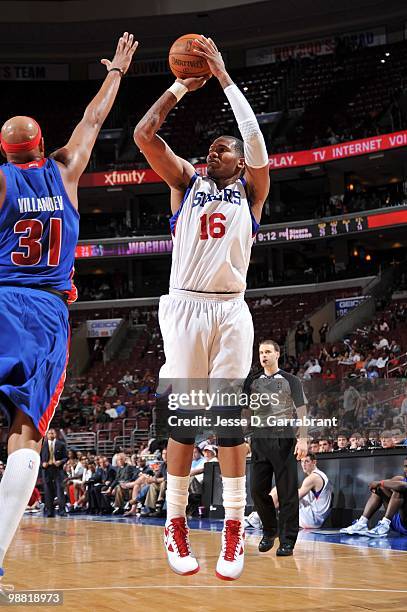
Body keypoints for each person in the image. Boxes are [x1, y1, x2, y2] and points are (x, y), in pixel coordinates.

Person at [0, 32, 138, 587]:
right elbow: (93, 118)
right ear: (41, 146)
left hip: (2, 300)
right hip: (47, 312)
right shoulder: (67, 170)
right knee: (27, 438)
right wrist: (116, 74)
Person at [133, 35, 270, 580]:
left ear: (239, 161)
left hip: (232, 309)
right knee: (186, 421)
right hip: (187, 309)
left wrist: (226, 79)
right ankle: (175, 522)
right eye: (210, 148)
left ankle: (234, 529)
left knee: (231, 421)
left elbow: (256, 142)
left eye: (223, 148)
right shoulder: (186, 183)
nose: (213, 152)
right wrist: (178, 87)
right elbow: (145, 135)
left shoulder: (254, 191)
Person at [244, 340, 308, 557]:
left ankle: (288, 540)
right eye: (261, 352)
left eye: (268, 352)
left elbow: (301, 410)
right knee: (256, 490)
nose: (264, 356)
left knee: (287, 492)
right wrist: (245, 437)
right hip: (259, 440)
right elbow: (246, 412)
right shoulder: (252, 381)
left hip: (283, 438)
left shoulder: (291, 380)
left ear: (277, 354)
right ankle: (270, 530)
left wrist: (303, 439)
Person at [340, 457, 407, 538]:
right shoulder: (401, 478)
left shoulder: (402, 484)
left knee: (399, 490)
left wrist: (380, 483)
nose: (406, 469)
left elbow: (402, 486)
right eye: (405, 466)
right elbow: (386, 485)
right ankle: (362, 523)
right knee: (379, 489)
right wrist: (379, 486)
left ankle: (385, 524)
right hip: (396, 521)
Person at [40, 428, 68, 517]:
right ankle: (49, 511)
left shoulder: (61, 444)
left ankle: (62, 511)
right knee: (48, 491)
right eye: (49, 433)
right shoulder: (42, 445)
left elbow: (66, 457)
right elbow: (37, 457)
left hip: (57, 469)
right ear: (46, 435)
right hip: (46, 469)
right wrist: (42, 463)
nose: (51, 435)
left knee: (60, 490)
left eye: (52, 433)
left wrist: (61, 462)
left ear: (55, 434)